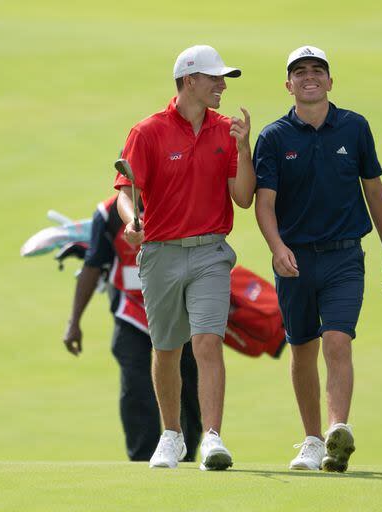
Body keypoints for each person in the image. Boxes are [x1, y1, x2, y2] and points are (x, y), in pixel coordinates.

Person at [253, 46, 382, 473]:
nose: (309, 77)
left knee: (338, 339)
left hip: (344, 257)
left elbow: (374, 190)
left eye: (317, 70)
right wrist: (277, 248)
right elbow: (265, 203)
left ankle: (339, 430)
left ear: (330, 81)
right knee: (302, 349)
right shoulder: (274, 137)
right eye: (299, 72)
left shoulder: (354, 127)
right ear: (289, 85)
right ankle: (313, 440)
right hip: (295, 260)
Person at [114, 45, 256, 470]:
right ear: (189, 80)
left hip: (211, 251)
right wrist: (131, 221)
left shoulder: (226, 130)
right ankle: (172, 434)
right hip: (160, 253)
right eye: (215, 79)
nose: (222, 86)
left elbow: (244, 198)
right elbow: (125, 192)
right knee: (166, 347)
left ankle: (212, 437)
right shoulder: (148, 131)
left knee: (208, 341)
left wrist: (244, 148)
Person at [62, 194, 202, 461]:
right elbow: (92, 266)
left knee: (187, 386)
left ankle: (186, 456)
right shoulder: (107, 215)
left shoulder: (177, 198)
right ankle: (142, 459)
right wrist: (74, 322)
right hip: (131, 313)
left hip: (178, 309)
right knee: (136, 391)